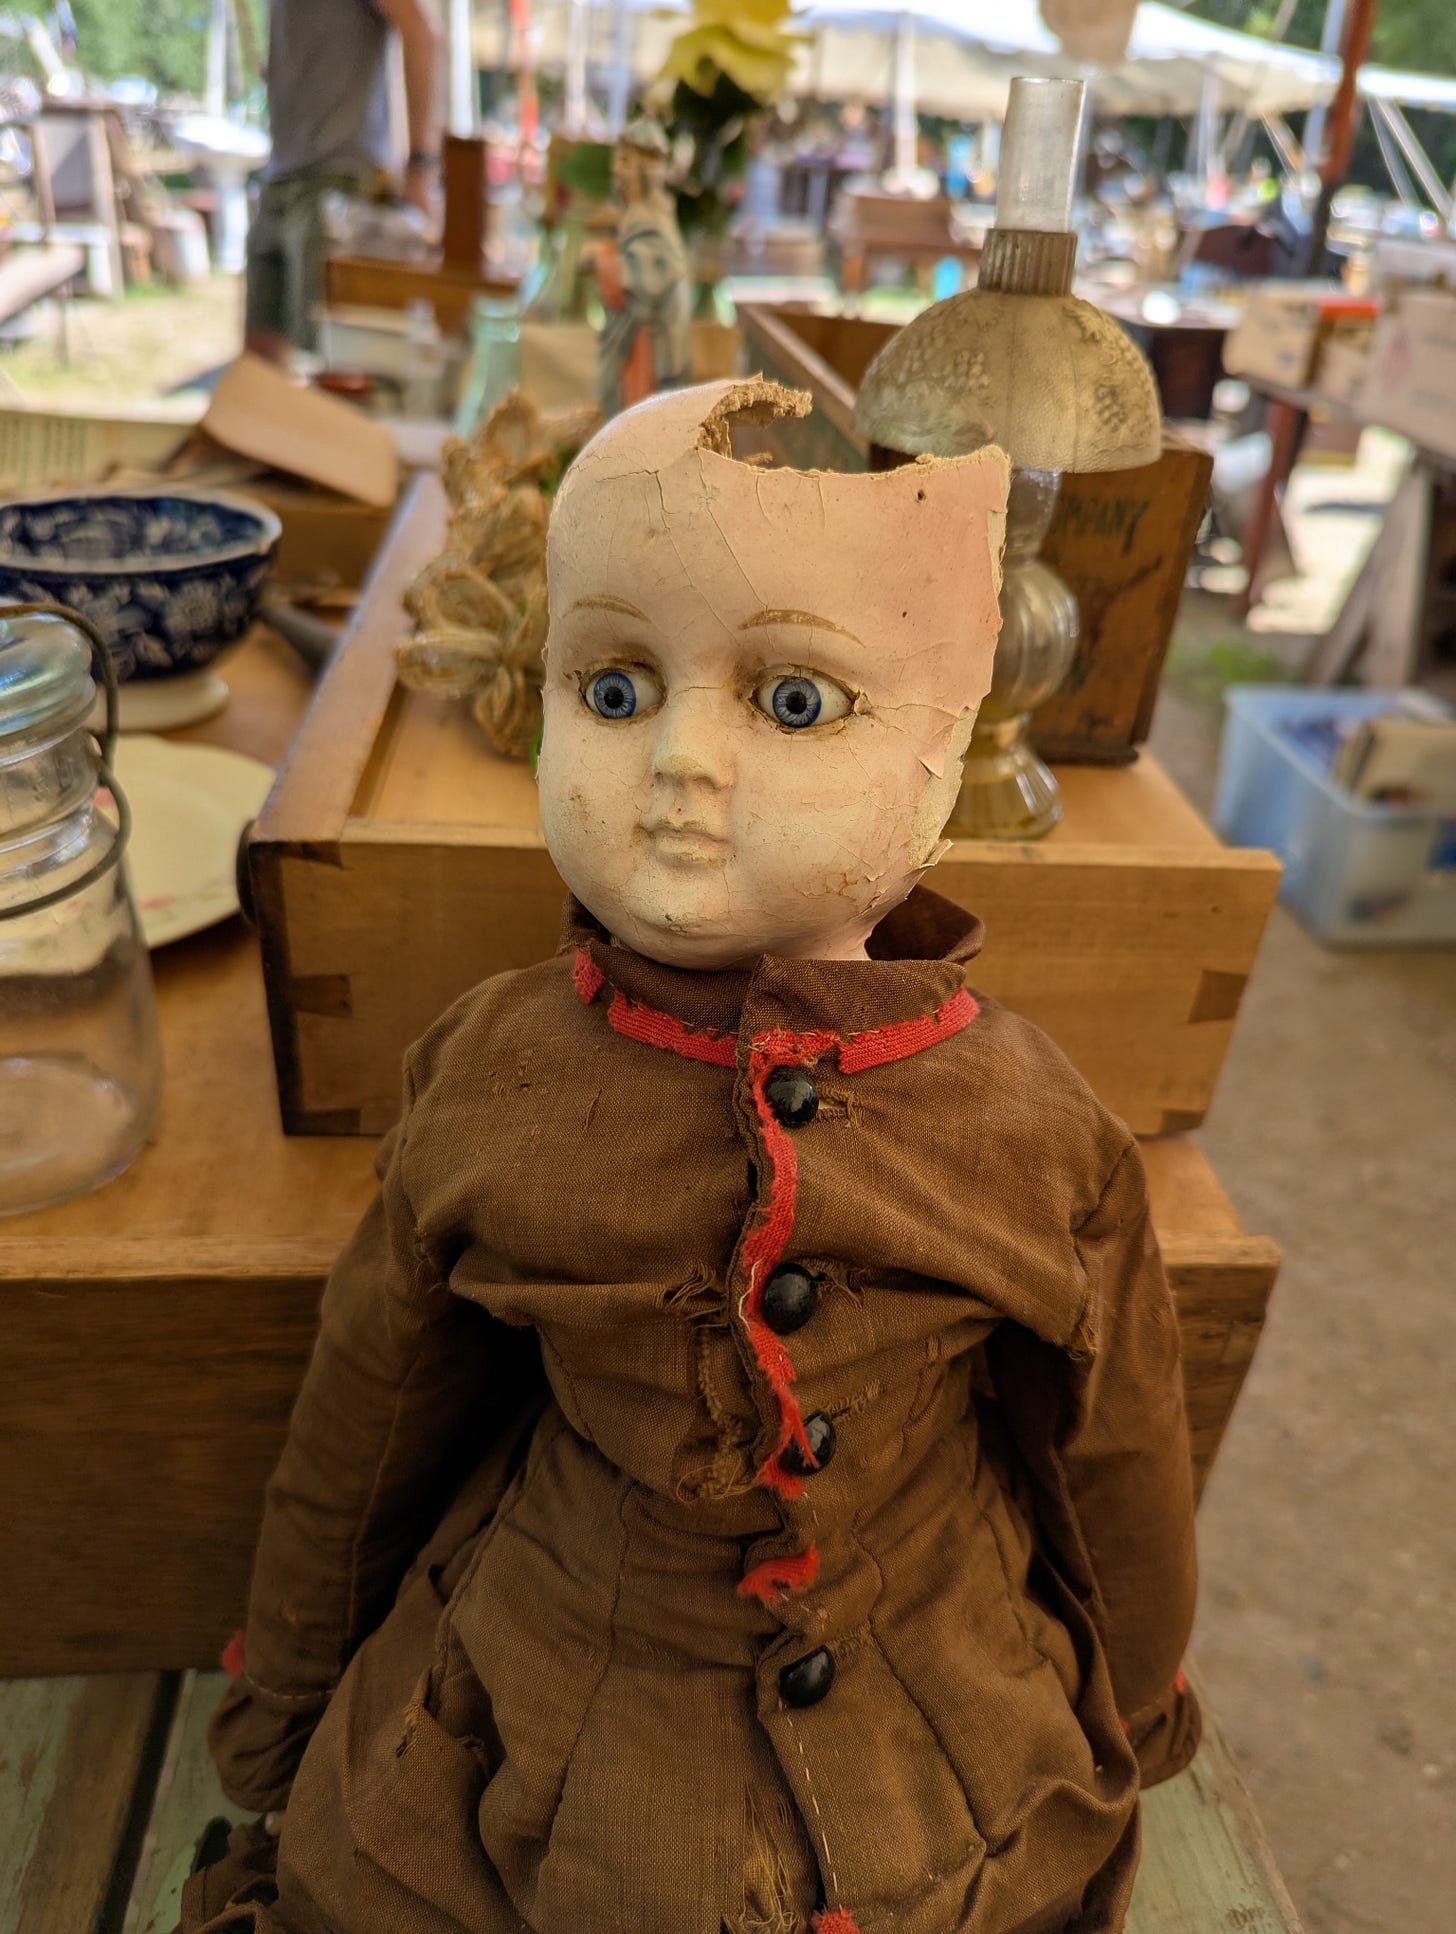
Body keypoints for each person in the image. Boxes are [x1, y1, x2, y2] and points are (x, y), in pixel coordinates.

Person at [186, 380, 1199, 1934]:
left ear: (945, 764)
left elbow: (1110, 1446)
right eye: (612, 687)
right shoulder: (494, 1072)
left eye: (795, 702)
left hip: (945, 1734)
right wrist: (290, 1693)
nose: (677, 763)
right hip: (548, 1726)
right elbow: (375, 1409)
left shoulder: (1035, 1127)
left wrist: (1135, 1692)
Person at [246, 0, 442, 358]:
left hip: (340, 187)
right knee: (259, 369)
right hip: (280, 177)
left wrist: (420, 167)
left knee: (326, 363)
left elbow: (421, 33)